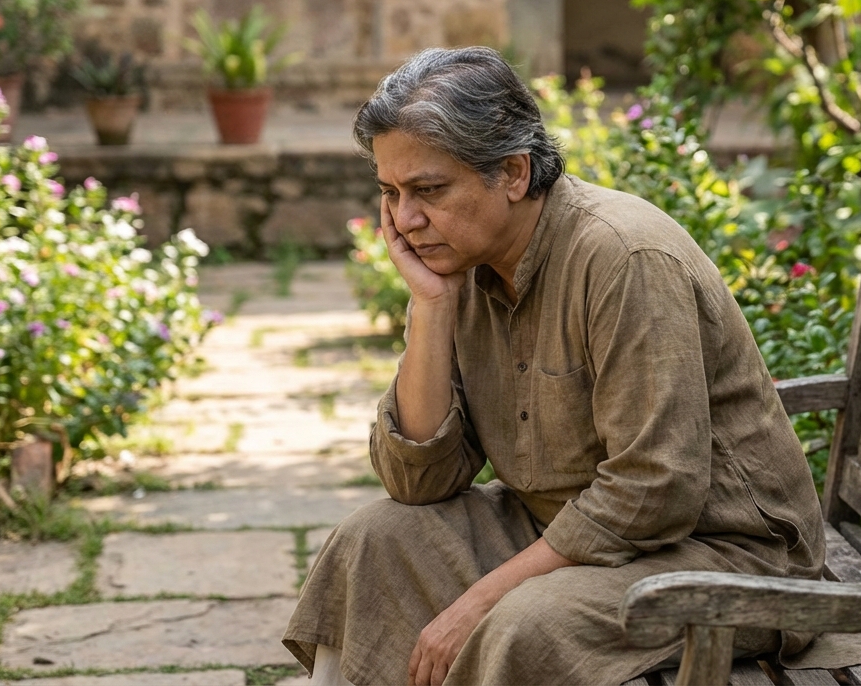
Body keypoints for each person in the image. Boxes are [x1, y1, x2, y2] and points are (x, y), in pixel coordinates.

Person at [281, 46, 826, 686]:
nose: (405, 221)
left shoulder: (623, 257)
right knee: (375, 538)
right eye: (391, 193)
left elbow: (656, 489)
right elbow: (419, 484)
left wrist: (483, 597)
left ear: (513, 173)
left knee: (521, 622)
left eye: (429, 190)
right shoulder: (461, 268)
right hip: (567, 534)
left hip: (725, 559)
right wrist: (431, 308)